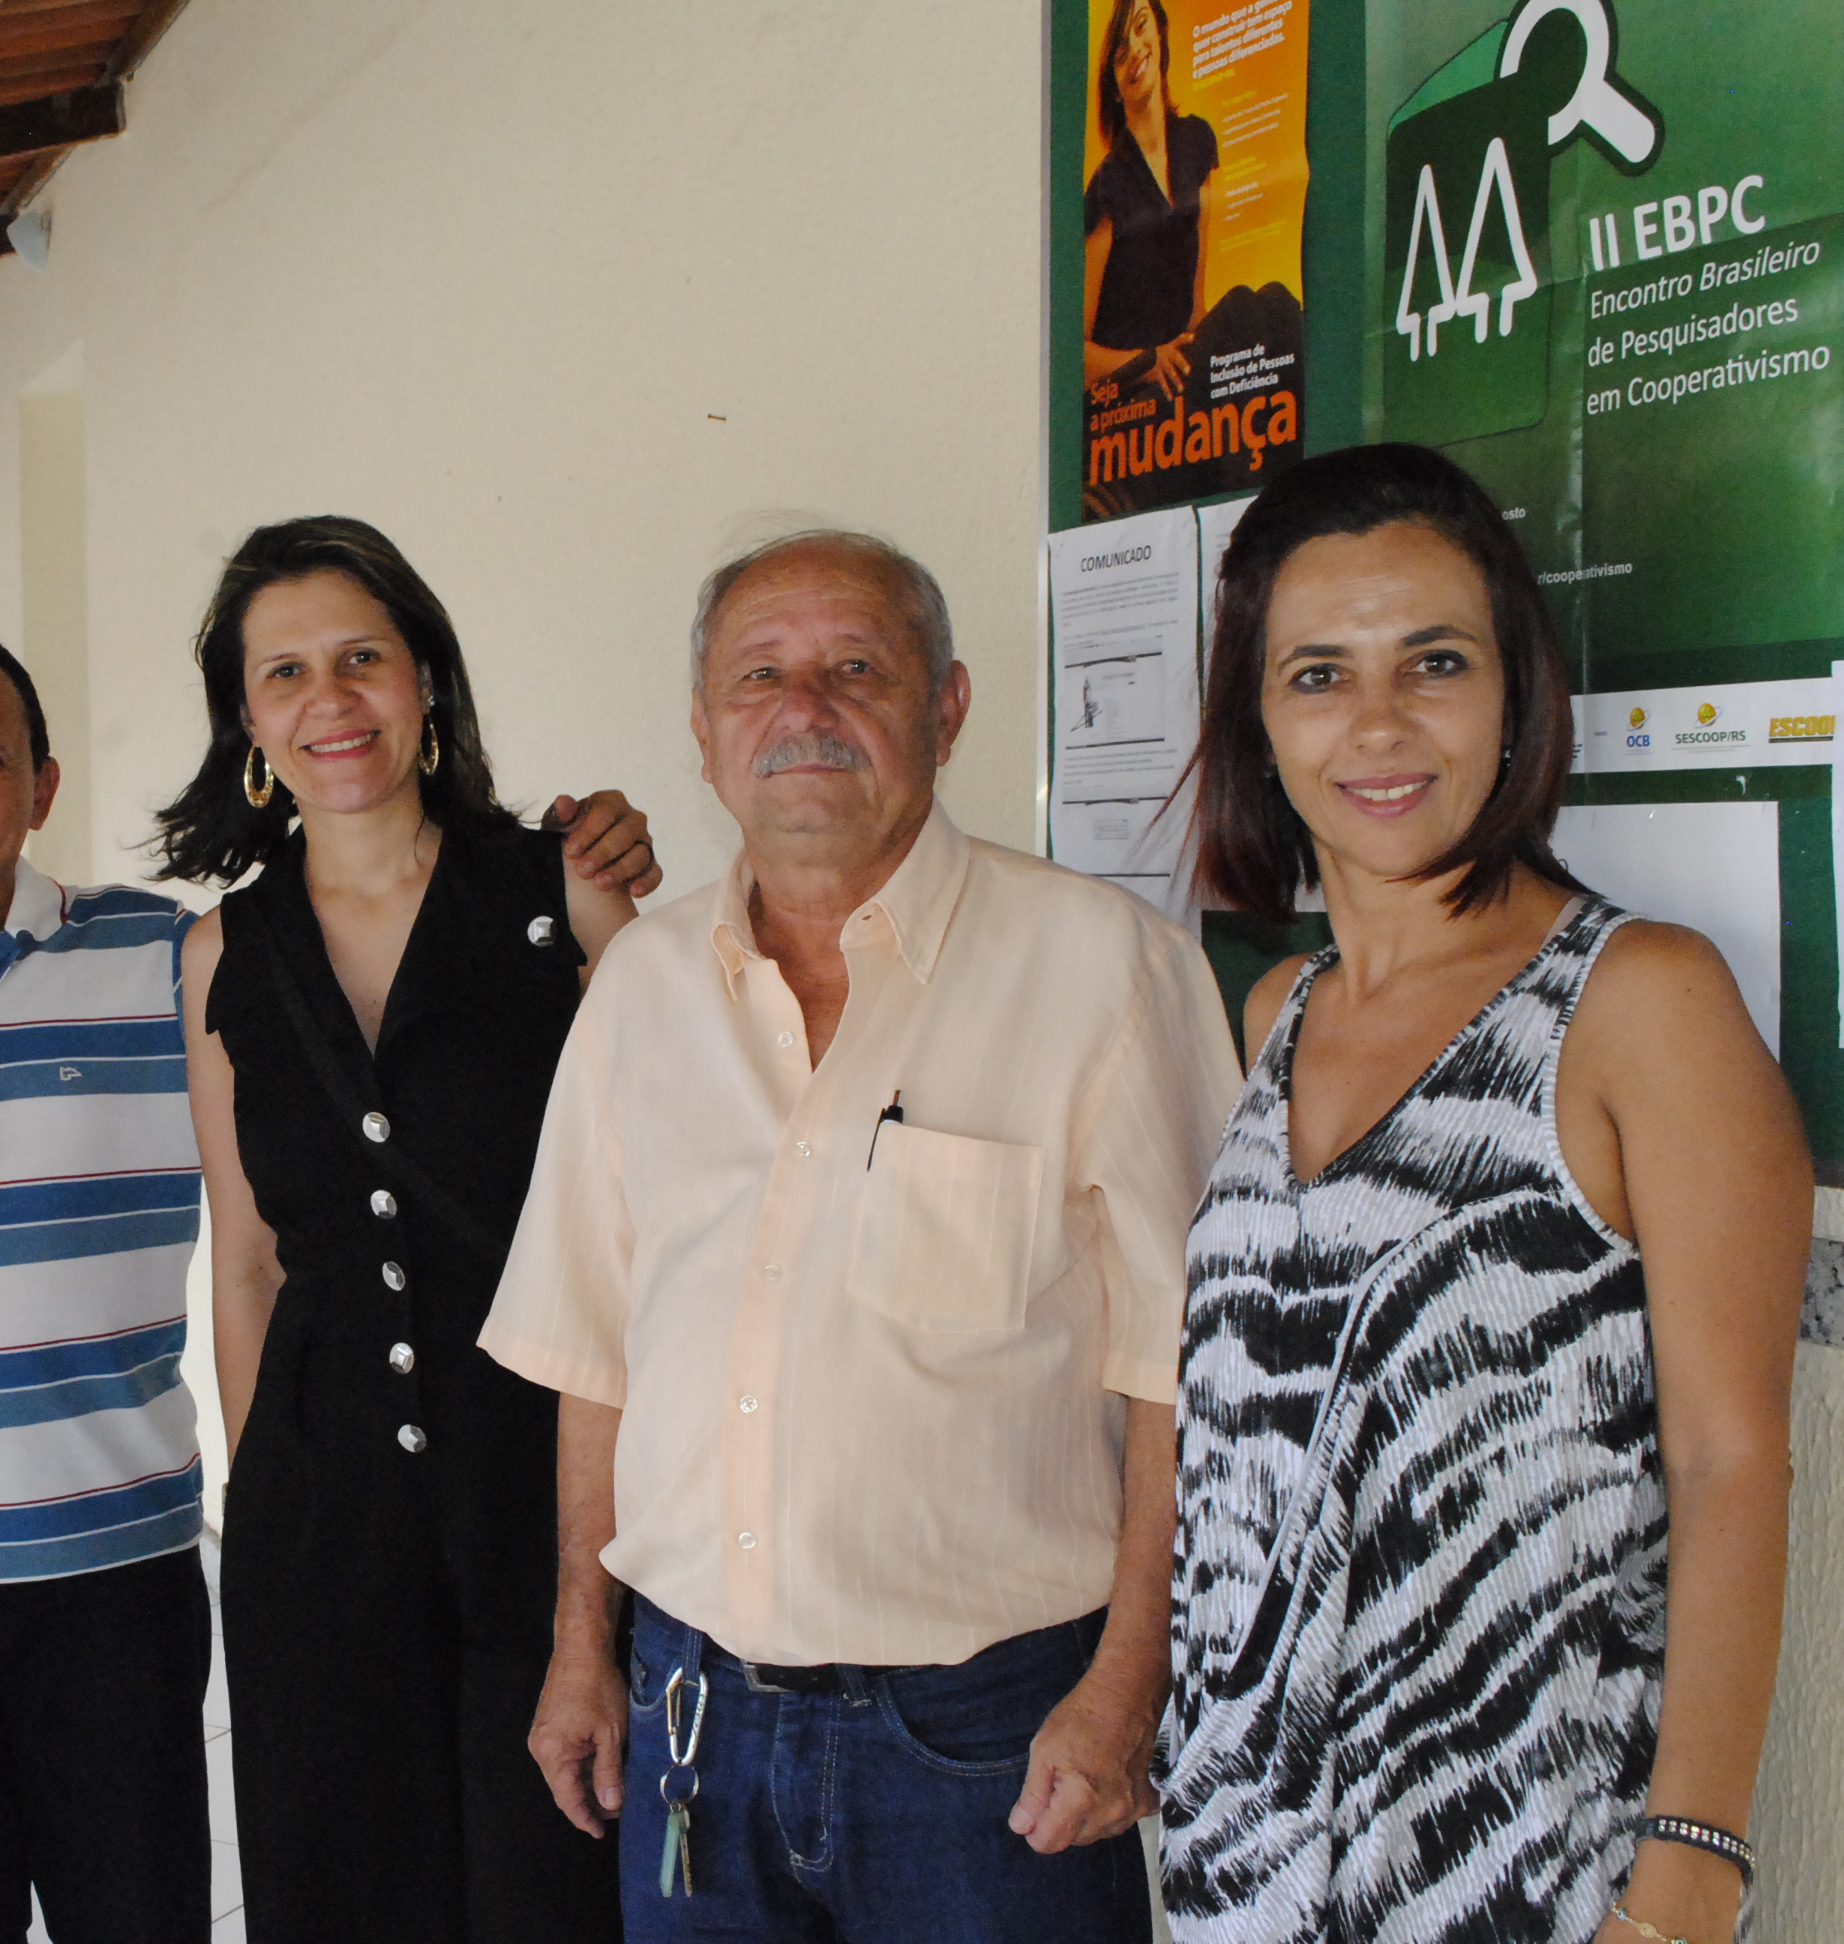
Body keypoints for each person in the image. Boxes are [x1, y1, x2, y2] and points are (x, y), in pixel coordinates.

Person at [0, 610, 660, 1944]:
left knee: (143, 1915)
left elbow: (358, 977)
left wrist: (571, 856)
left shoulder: (162, 957)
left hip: (116, 1563)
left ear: (44, 785)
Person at [485, 530, 1241, 1942]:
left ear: (945, 708)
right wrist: (581, 1647)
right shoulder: (641, 985)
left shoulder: (1107, 970)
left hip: (992, 1742)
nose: (805, 711)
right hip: (690, 1720)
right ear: (704, 730)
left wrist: (1131, 1682)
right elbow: (595, 1354)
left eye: (857, 670)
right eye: (759, 676)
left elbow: (1185, 1373)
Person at [1163, 444, 1805, 1944]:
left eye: (1434, 662)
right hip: (1244, 1873)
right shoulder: (1277, 1014)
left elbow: (1730, 1463)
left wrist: (1686, 1875)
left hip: (1520, 1872)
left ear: (1516, 692)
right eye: (1317, 675)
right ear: (1257, 722)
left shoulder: (1638, 1002)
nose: (1378, 722)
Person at [164, 516, 652, 1944]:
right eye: (286, 672)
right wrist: (264, 1497)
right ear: (248, 718)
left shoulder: (564, 897)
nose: (329, 700)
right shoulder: (222, 952)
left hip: (547, 1499)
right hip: (320, 1522)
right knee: (346, 1892)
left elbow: (660, 1211)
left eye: (361, 658)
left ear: (424, 679)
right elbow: (247, 1262)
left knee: (554, 1887)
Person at [1082, 0, 1216, 404]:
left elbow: (1195, 307)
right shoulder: (1107, 186)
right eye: (1120, 54)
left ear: (1160, 31)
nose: (1136, 50)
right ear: (1114, 87)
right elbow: (1073, 353)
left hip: (1181, 383)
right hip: (1128, 401)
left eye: (1141, 27)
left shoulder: (1197, 141)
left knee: (1267, 306)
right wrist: (1147, 362)